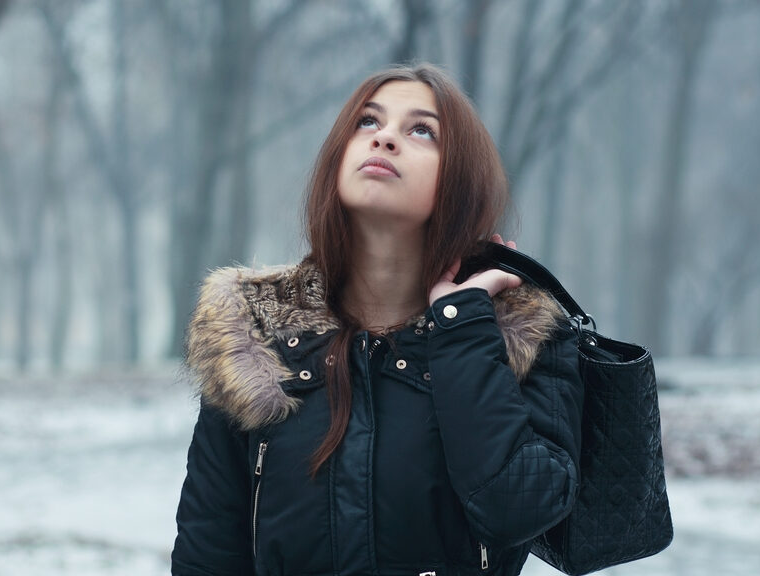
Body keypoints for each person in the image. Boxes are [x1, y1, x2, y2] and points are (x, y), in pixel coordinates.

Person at [171, 63, 584, 576]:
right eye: (367, 121)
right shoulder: (253, 336)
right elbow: (207, 553)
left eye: (421, 130)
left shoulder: (518, 337)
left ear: (462, 180)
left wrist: (463, 330)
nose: (385, 138)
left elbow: (517, 511)